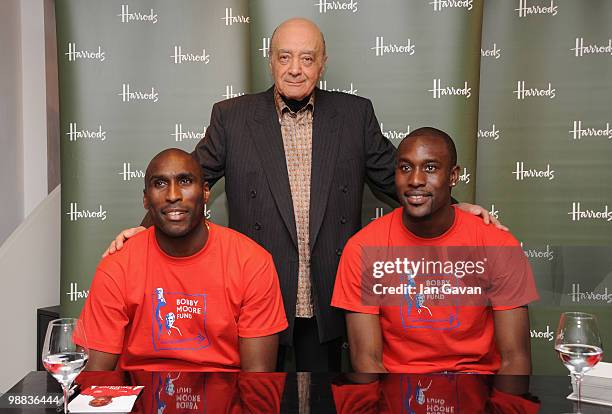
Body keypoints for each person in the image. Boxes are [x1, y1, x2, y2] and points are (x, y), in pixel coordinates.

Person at [103, 19, 503, 371]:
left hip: (328, 293)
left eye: (307, 59)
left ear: (323, 63)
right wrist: (144, 232)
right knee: (255, 399)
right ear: (271, 60)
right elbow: (185, 182)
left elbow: (394, 177)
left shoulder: (354, 115)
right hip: (257, 296)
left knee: (325, 401)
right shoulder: (231, 117)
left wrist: (454, 207)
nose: (295, 69)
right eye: (285, 57)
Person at [331, 127, 539, 374]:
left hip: (477, 391)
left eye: (430, 168)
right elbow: (367, 362)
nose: (415, 180)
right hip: (398, 393)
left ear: (453, 176)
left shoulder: (498, 245)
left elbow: (515, 360)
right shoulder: (363, 249)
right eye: (405, 168)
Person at [78, 149, 287, 372]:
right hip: (141, 400)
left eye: (185, 181)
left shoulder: (252, 263)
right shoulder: (118, 265)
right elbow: (94, 380)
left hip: (226, 402)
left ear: (205, 192)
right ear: (146, 199)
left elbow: (257, 382)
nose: (173, 195)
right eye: (160, 183)